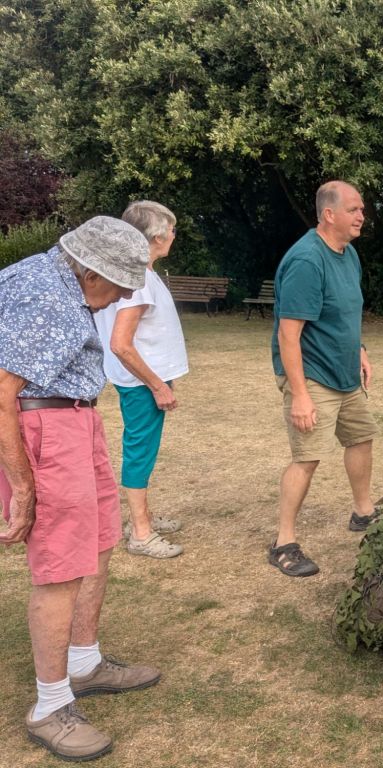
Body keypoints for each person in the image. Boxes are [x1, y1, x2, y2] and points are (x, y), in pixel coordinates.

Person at [0, 216, 163, 762]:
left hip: (74, 416)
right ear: (91, 273)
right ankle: (50, 706)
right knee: (61, 567)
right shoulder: (49, 298)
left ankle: (84, 662)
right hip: (45, 427)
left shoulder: (55, 279)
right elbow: (1, 392)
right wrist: (23, 487)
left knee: (97, 543)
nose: (123, 297)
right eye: (119, 285)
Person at [268, 180, 377, 577]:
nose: (362, 215)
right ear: (329, 214)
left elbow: (345, 311)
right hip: (312, 374)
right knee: (307, 457)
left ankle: (363, 512)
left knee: (361, 437)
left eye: (361, 209)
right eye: (354, 209)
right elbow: (288, 335)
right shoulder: (307, 261)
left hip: (344, 372)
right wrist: (300, 395)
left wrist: (359, 349)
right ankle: (283, 543)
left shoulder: (348, 254)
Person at [94, 201, 188, 559]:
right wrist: (157, 385)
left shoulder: (139, 273)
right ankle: (141, 532)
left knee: (142, 450)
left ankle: (143, 517)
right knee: (140, 452)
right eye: (172, 229)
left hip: (143, 381)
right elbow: (121, 344)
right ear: (157, 237)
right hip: (141, 384)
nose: (174, 236)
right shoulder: (139, 280)